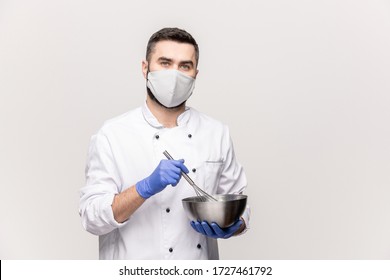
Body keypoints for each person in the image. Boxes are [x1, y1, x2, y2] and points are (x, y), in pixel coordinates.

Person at [79, 27, 250, 260]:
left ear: (195, 74)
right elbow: (91, 218)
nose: (175, 74)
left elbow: (237, 201)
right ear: (145, 68)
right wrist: (144, 188)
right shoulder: (111, 135)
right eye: (165, 63)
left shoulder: (216, 132)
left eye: (184, 66)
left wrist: (234, 225)